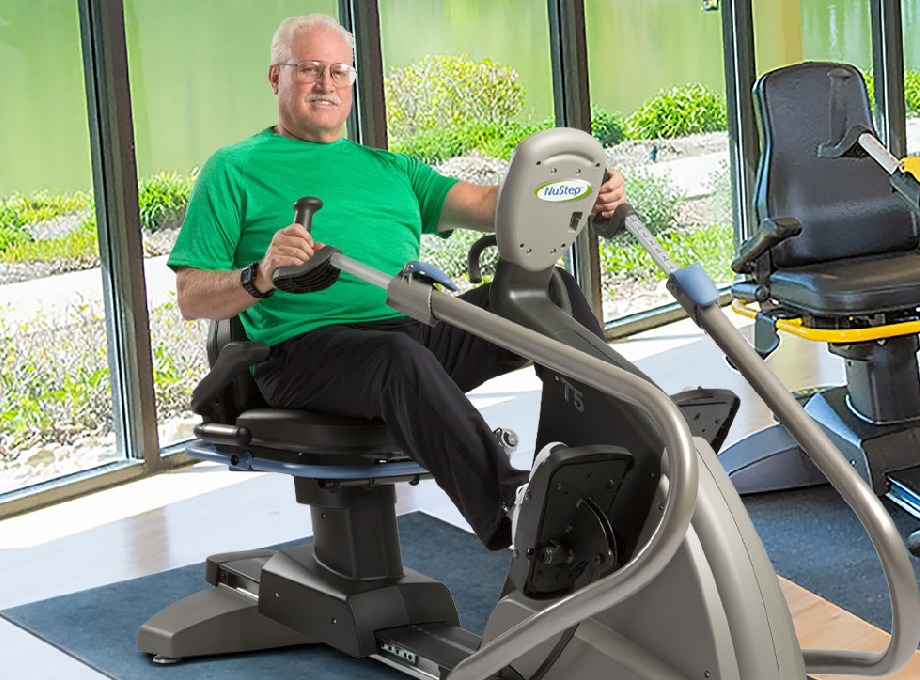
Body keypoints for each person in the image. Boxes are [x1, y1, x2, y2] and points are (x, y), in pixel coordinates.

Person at [168, 14, 628, 551]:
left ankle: (623, 444)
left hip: (415, 332)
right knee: (397, 359)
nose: (327, 83)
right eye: (310, 69)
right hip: (304, 354)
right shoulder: (233, 169)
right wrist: (260, 273)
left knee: (548, 292)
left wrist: (583, 188)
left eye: (339, 71)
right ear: (276, 78)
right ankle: (513, 506)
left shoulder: (391, 168)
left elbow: (490, 204)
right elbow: (190, 296)